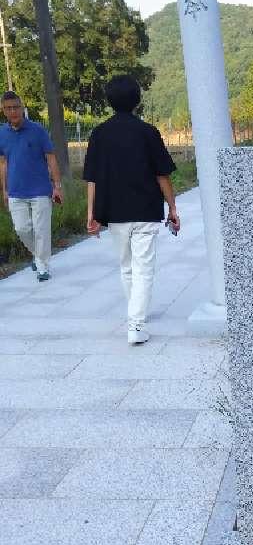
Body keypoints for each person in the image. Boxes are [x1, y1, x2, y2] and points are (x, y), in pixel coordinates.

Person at [84, 74, 180, 345]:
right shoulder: (148, 132)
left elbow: (91, 177)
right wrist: (172, 208)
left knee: (126, 267)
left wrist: (91, 214)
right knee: (144, 268)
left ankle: (134, 318)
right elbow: (163, 175)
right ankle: (136, 324)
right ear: (137, 100)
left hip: (114, 213)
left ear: (110, 101)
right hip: (146, 210)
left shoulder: (99, 134)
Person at [0, 91, 64, 282]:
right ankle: (39, 256)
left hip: (40, 190)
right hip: (15, 191)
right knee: (22, 229)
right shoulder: (2, 133)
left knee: (41, 230)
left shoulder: (37, 130)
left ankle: (42, 267)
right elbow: (3, 163)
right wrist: (4, 189)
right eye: (9, 108)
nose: (13, 111)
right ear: (3, 111)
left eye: (16, 107)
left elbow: (51, 157)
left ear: (22, 108)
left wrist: (57, 185)